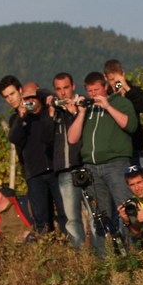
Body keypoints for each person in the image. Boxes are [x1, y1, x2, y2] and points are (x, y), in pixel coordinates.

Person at [67, 71, 139, 254]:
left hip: (116, 164)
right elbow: (72, 138)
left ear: (105, 86)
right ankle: (107, 259)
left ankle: (136, 251)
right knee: (99, 216)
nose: (93, 94)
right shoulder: (88, 109)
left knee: (127, 210)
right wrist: (81, 113)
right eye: (90, 91)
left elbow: (130, 125)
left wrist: (107, 106)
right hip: (91, 168)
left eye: (96, 89)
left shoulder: (121, 102)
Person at [0, 75, 57, 233]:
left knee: (64, 213)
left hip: (54, 168)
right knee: (41, 219)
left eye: (12, 94)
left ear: (20, 91)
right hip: (34, 173)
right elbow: (15, 138)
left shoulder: (45, 110)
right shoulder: (15, 119)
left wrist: (39, 97)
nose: (10, 99)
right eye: (6, 97)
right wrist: (22, 116)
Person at [46, 72, 84, 247]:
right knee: (72, 219)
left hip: (84, 166)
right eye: (59, 89)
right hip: (64, 170)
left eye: (66, 88)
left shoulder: (83, 105)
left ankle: (103, 255)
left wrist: (75, 112)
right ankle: (81, 258)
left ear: (73, 87)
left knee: (95, 215)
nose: (63, 93)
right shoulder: (55, 114)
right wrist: (51, 114)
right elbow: (45, 140)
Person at [103, 60, 143, 171]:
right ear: (105, 78)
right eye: (111, 80)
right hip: (117, 151)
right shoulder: (106, 97)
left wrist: (127, 89)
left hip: (136, 147)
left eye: (117, 79)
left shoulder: (134, 91)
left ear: (123, 74)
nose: (115, 83)